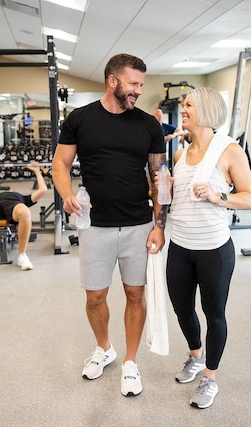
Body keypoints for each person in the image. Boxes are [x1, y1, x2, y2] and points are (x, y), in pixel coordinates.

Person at [52, 53, 167, 397]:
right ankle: (105, 348)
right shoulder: (80, 119)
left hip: (138, 224)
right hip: (95, 224)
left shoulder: (148, 124)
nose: (137, 91)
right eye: (133, 84)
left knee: (135, 293)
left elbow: (160, 176)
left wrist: (159, 224)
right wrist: (66, 193)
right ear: (112, 80)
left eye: (140, 85)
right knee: (95, 296)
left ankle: (130, 362)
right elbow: (60, 163)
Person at [160, 87, 251, 409]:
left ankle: (210, 378)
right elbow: (174, 201)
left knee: (214, 314)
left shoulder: (229, 151)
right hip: (180, 246)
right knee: (182, 308)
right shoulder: (179, 155)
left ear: (207, 111)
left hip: (213, 249)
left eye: (189, 105)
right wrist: (168, 188)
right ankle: (195, 357)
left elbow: (250, 197)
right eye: (184, 105)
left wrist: (218, 197)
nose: (183, 110)